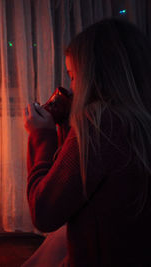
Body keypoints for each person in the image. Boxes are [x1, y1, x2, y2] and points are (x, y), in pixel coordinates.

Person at [24, 17, 151, 266]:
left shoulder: (99, 124)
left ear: (94, 76)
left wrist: (42, 137)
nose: (71, 86)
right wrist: (66, 126)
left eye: (73, 76)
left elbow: (44, 212)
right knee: (61, 237)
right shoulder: (137, 121)